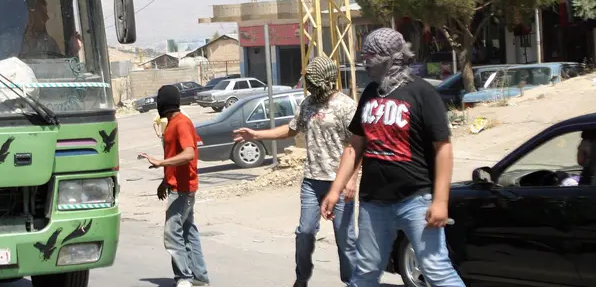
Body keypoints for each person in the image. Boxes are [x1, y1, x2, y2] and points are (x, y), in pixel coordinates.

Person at [321, 28, 466, 287]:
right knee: (365, 271)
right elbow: (355, 146)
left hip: (415, 200)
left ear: (390, 57)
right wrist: (335, 190)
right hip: (373, 203)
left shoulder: (422, 93)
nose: (366, 60)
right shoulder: (370, 93)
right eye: (364, 54)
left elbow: (443, 148)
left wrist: (441, 201)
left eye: (371, 55)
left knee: (436, 270)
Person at [233, 56, 359, 286]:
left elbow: (358, 145)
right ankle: (301, 279)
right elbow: (291, 130)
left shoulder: (346, 106)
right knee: (304, 233)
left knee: (346, 239)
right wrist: (257, 135)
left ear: (328, 80)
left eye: (314, 82)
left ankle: (353, 282)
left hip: (338, 183)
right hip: (312, 181)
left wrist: (352, 180)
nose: (310, 86)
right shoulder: (307, 104)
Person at [140, 85, 210, 287]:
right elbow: (174, 157)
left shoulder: (181, 123)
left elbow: (189, 154)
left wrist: (160, 163)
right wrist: (164, 181)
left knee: (172, 234)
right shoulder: (171, 124)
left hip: (183, 189)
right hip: (177, 186)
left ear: (164, 102)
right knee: (188, 231)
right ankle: (199, 276)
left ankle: (184, 278)